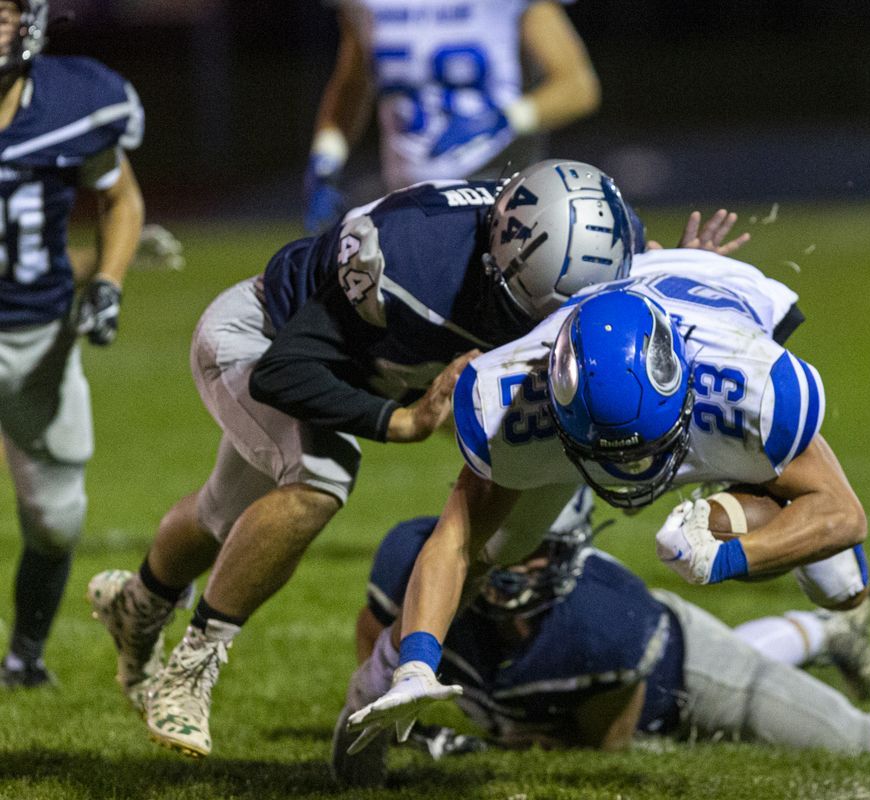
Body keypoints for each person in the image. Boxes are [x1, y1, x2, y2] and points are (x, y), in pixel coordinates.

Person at [88, 159, 741, 758]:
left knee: (219, 517)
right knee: (319, 479)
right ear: (499, 265)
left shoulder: (596, 229)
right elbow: (284, 372)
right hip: (260, 340)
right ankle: (193, 666)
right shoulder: (406, 261)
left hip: (365, 366)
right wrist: (400, 421)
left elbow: (614, 295)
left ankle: (139, 603)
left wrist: (683, 274)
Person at [346, 247, 870, 740]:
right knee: (494, 549)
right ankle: (374, 682)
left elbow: (844, 514)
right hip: (609, 330)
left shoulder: (750, 386)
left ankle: (805, 600)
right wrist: (415, 664)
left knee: (841, 589)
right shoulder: (510, 398)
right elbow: (453, 543)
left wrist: (728, 557)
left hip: (715, 318)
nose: (629, 471)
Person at [331, 513, 870, 786]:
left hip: (675, 677)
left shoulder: (597, 626)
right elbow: (378, 637)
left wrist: (492, 733)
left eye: (537, 553)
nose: (516, 566)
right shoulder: (415, 557)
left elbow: (605, 737)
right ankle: (824, 633)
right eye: (506, 547)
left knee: (851, 740)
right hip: (600, 669)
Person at [0, 0, 146, 687]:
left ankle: (25, 656)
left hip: (39, 336)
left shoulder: (72, 98)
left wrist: (108, 280)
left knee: (56, 521)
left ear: (28, 20)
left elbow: (121, 200)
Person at [303, 0, 601, 233]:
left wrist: (503, 119)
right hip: (408, 201)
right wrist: (327, 156)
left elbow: (577, 86)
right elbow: (354, 83)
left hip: (499, 197)